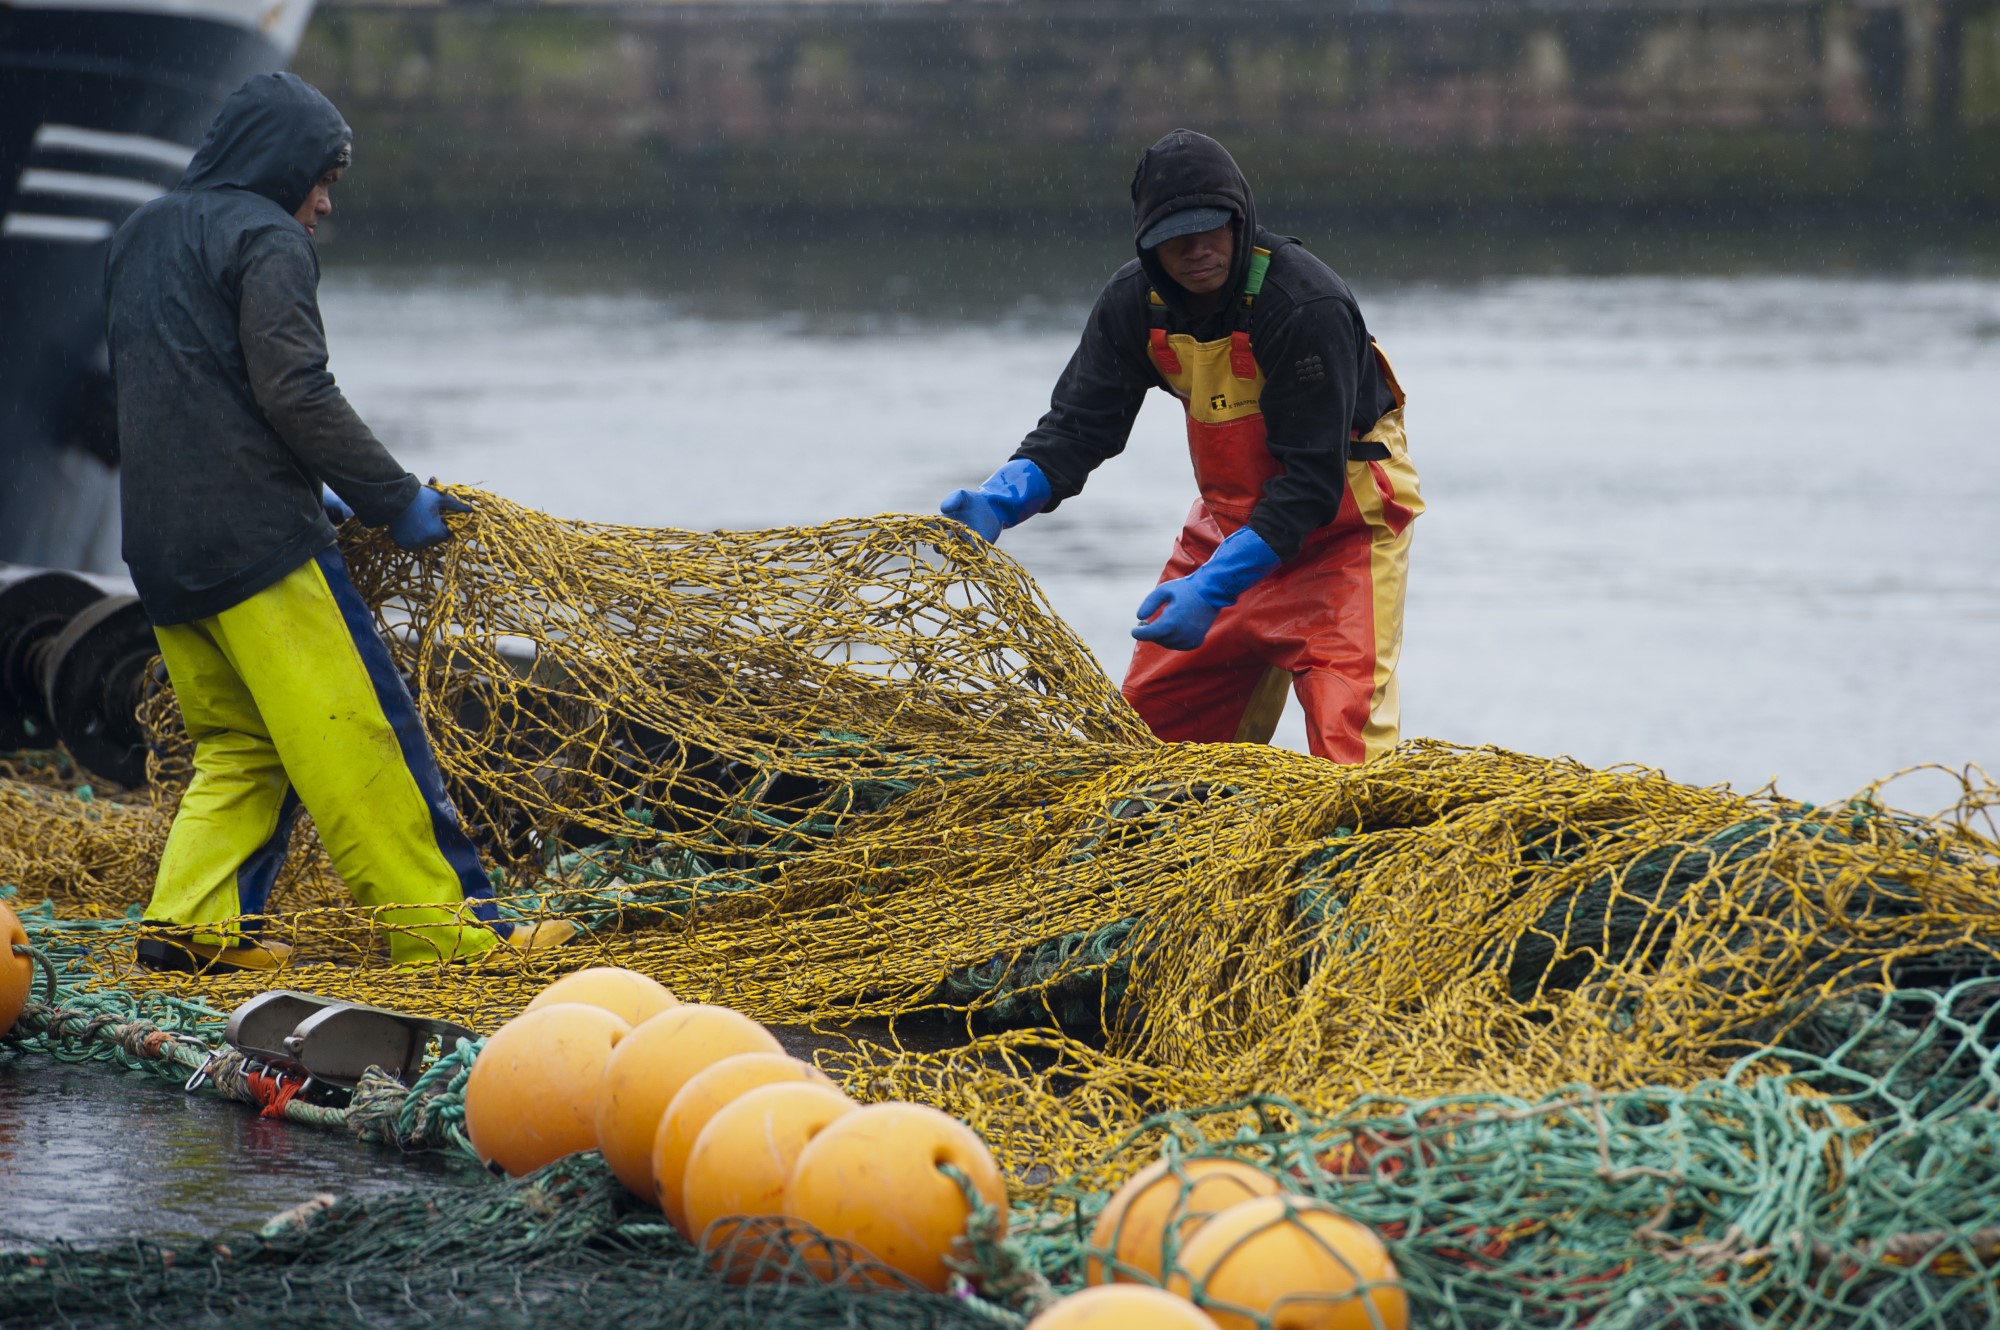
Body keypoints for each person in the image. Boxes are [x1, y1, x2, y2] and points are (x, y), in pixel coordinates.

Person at [105, 72, 564, 969]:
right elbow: (296, 390)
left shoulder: (140, 234)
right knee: (363, 735)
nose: (320, 205)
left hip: (161, 554)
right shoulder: (267, 237)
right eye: (322, 179)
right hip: (259, 552)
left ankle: (191, 929)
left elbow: (179, 390)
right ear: (280, 166)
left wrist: (311, 487)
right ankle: (453, 934)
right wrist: (395, 498)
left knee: (241, 749)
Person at [941, 129, 1423, 763]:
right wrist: (1006, 497)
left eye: (1211, 229)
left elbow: (1310, 486)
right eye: (1174, 237)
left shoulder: (1305, 305)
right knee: (1142, 755)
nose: (1196, 250)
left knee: (1350, 755)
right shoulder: (1133, 305)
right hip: (1227, 529)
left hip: (1341, 535)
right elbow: (1079, 425)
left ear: (1241, 221)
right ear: (1147, 247)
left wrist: (1213, 587)